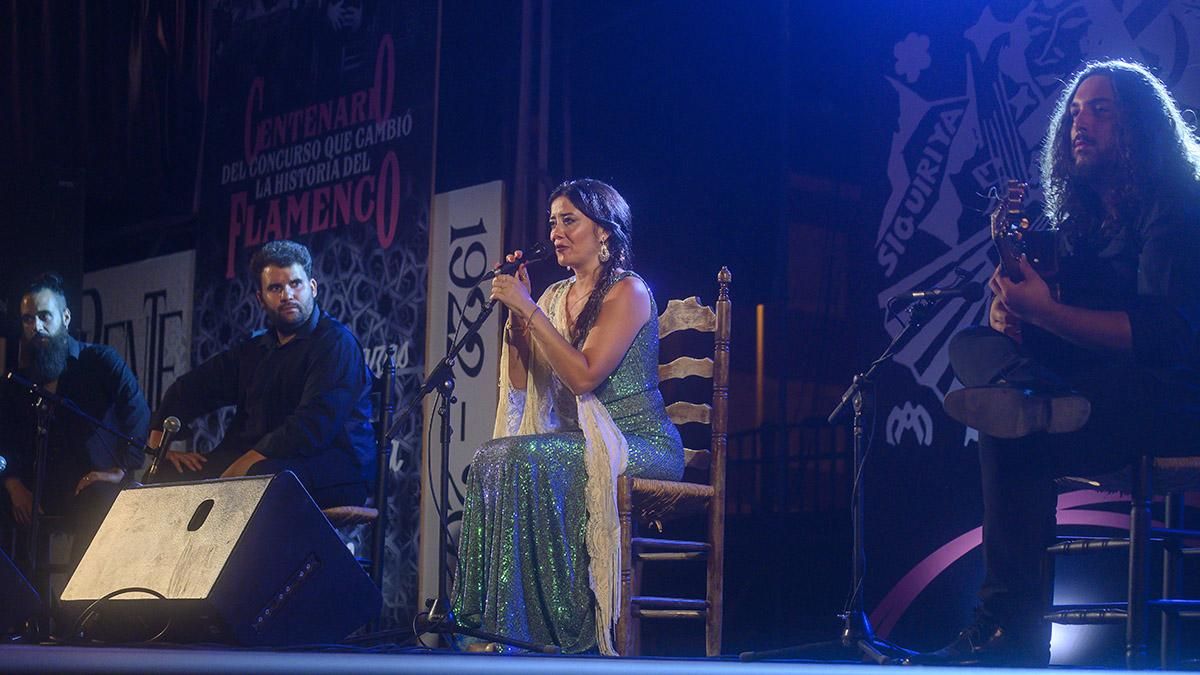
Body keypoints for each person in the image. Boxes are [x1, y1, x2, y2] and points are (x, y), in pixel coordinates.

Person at [926, 60, 1200, 666]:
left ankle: (1009, 631)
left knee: (1016, 418)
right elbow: (1074, 334)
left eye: (1102, 110)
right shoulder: (1076, 222)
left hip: (1170, 403)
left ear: (1141, 125)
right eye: (1075, 112)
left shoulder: (1177, 203)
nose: (1082, 123)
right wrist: (1019, 319)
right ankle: (1004, 633)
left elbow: (1157, 340)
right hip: (1094, 397)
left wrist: (1045, 316)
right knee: (995, 391)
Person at [450, 179, 684, 654]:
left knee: (524, 460)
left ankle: (553, 633)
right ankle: (491, 623)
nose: (556, 231)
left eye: (569, 220)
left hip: (639, 445)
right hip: (581, 443)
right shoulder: (557, 295)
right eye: (552, 221)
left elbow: (583, 377)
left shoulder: (629, 291)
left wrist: (529, 310)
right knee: (491, 456)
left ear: (605, 231)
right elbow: (522, 381)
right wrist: (518, 319)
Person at [148, 239, 375, 509]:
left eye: (295, 284)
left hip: (337, 465)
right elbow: (195, 386)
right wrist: (158, 436)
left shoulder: (336, 343)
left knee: (257, 480)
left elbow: (314, 424)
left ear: (312, 288)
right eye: (275, 288)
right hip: (267, 458)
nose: (287, 295)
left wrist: (250, 459)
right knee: (168, 476)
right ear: (261, 298)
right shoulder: (257, 349)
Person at [0, 273, 150, 564]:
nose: (36, 327)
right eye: (28, 320)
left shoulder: (100, 361)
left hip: (91, 484)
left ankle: (79, 607)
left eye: (45, 316)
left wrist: (119, 468)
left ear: (65, 317)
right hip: (36, 488)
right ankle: (20, 605)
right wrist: (13, 484)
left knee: (102, 503)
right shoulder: (17, 382)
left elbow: (138, 413)